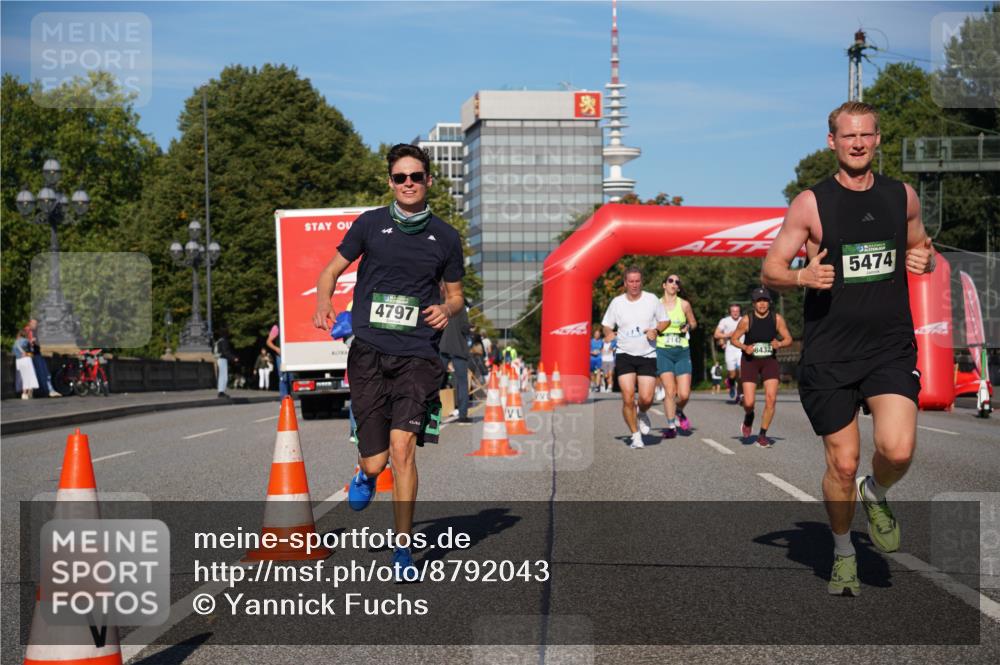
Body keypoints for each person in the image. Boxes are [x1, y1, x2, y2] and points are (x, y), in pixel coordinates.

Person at [762, 101, 936, 597]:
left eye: (866, 135)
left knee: (897, 450)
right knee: (842, 463)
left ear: (878, 139)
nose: (857, 143)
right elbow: (770, 268)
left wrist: (923, 259)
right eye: (847, 136)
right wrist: (800, 275)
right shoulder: (810, 204)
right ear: (831, 141)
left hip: (889, 347)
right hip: (831, 353)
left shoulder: (901, 197)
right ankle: (843, 553)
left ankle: (875, 493)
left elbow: (921, 246)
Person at [313, 143, 464, 581]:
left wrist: (447, 309)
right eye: (400, 178)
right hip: (369, 352)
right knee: (377, 464)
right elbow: (330, 270)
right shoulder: (370, 224)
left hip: (418, 354)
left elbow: (454, 294)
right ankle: (363, 475)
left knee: (403, 452)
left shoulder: (446, 237)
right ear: (391, 183)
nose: (409, 184)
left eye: (416, 176)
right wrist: (324, 299)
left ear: (429, 180)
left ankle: (403, 549)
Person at [601, 266, 669, 449]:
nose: (634, 285)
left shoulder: (652, 299)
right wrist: (608, 333)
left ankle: (642, 412)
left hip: (647, 353)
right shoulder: (617, 302)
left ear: (642, 282)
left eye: (637, 281)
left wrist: (656, 330)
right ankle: (635, 435)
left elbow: (665, 320)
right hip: (624, 353)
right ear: (625, 283)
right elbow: (607, 324)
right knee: (628, 397)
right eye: (630, 281)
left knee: (646, 398)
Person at [729, 287, 792, 447]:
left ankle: (762, 435)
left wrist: (780, 343)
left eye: (765, 301)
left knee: (771, 399)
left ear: (769, 302)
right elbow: (734, 339)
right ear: (754, 303)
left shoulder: (776, 319)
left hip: (769, 361)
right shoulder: (746, 320)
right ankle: (749, 417)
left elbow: (788, 339)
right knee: (749, 403)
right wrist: (745, 347)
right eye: (759, 301)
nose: (762, 304)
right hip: (750, 361)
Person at [655, 273, 698, 438]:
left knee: (684, 394)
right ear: (664, 285)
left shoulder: (684, 305)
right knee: (670, 391)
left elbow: (694, 323)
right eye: (670, 281)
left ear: (678, 287)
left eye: (677, 282)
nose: (674, 283)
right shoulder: (655, 305)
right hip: (663, 350)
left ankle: (679, 410)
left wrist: (688, 326)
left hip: (681, 351)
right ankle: (671, 426)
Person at [440, 289, 472, 424]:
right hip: (458, 348)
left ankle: (431, 417)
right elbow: (465, 327)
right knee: (462, 382)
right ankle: (463, 415)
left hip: (442, 345)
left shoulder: (440, 305)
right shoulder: (460, 308)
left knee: (437, 381)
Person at [714, 304, 744, 404]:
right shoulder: (725, 321)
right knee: (732, 374)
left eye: (737, 311)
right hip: (730, 349)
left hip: (741, 348)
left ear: (740, 312)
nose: (735, 313)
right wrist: (727, 335)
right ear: (730, 312)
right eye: (733, 311)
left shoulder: (744, 320)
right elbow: (716, 334)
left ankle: (740, 395)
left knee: (741, 373)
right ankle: (731, 385)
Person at [24, 319, 60, 397]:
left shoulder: (34, 332)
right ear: (30, 323)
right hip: (33, 355)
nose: (36, 325)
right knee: (43, 374)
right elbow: (24, 343)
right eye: (34, 323)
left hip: (37, 354)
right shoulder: (27, 331)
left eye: (36, 324)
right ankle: (48, 391)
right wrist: (31, 341)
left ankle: (48, 390)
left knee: (45, 373)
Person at [266, 324, 292, 399]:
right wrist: (277, 349)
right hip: (281, 357)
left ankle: (289, 399)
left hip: (290, 356)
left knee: (290, 378)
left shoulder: (291, 324)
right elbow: (268, 342)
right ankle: (284, 400)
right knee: (283, 378)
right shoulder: (277, 327)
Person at [12, 328, 39, 400]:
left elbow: (13, 352)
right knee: (28, 376)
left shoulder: (15, 342)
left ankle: (24, 393)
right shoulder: (26, 341)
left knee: (22, 377)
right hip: (26, 359)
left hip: (18, 361)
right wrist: (32, 343)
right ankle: (26, 392)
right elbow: (31, 350)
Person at [214, 328, 238, 398]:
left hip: (219, 358)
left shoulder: (219, 341)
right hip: (222, 359)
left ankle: (221, 391)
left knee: (221, 375)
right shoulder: (224, 341)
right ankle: (221, 392)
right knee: (224, 376)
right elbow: (226, 352)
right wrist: (233, 358)